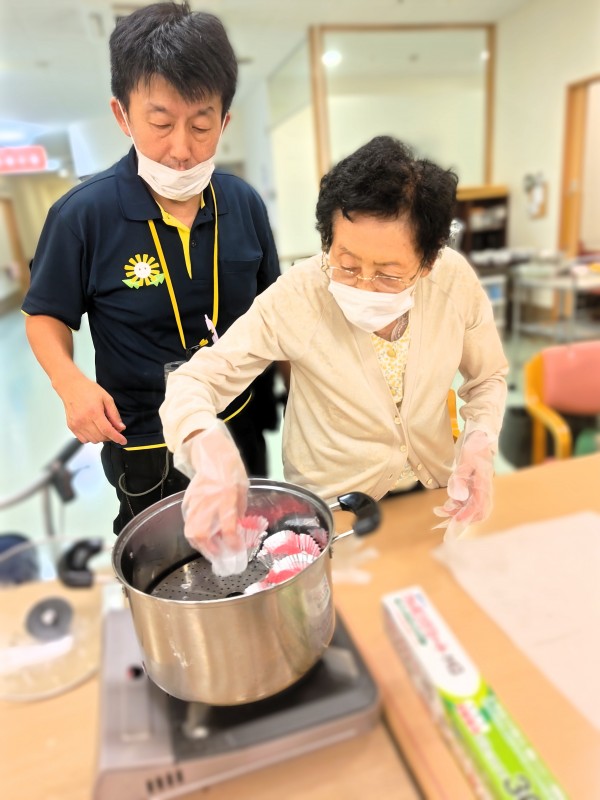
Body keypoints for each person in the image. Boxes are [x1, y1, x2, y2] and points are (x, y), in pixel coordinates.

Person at [159, 135, 508, 574]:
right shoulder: (299, 295)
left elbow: (487, 377)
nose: (363, 284)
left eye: (388, 274)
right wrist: (206, 447)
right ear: (327, 242)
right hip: (333, 512)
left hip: (434, 496)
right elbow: (194, 381)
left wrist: (479, 442)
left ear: (428, 260)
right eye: (347, 264)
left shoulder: (452, 283)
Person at [21, 2, 281, 534]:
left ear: (224, 121)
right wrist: (70, 383)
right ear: (123, 116)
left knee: (251, 546)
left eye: (201, 125)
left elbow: (274, 309)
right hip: (145, 439)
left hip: (236, 422)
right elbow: (45, 313)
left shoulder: (243, 203)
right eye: (160, 123)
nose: (181, 149)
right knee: (164, 562)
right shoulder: (82, 215)